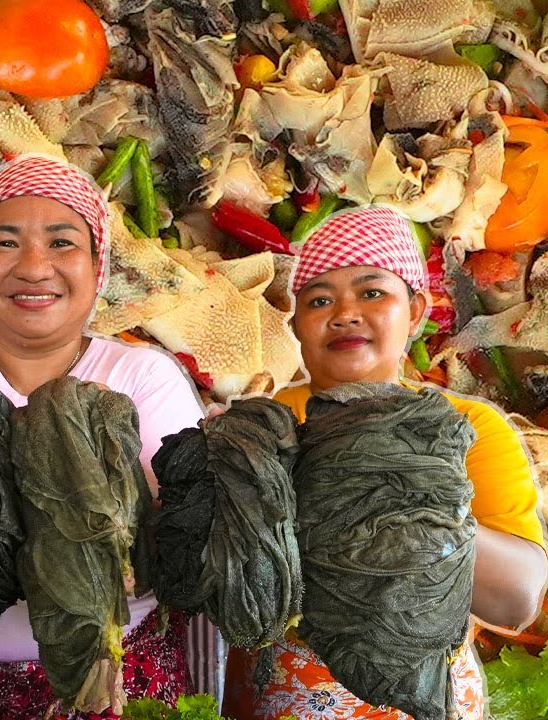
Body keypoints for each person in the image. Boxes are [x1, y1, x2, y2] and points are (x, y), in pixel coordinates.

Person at [0, 154, 206, 716]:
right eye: (3, 243)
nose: (32, 266)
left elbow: (171, 543)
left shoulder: (143, 375)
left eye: (62, 243)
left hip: (122, 674)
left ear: (98, 269)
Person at [222, 204, 548, 719]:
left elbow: (517, 601)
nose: (345, 313)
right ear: (298, 325)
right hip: (281, 692)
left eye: (373, 293)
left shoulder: (468, 428)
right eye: (319, 299)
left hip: (420, 694)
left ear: (416, 311)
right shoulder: (259, 426)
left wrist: (410, 506)